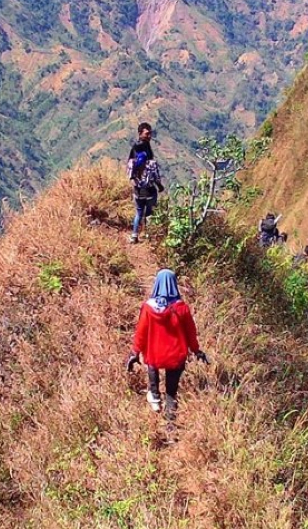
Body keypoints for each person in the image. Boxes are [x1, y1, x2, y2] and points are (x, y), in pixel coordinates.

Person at [127, 269, 208, 418]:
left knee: (151, 364)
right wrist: (197, 351)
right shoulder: (182, 308)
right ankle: (170, 416)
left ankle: (155, 397)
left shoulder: (148, 308)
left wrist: (135, 352)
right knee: (172, 391)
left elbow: (141, 332)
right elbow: (191, 333)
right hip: (176, 355)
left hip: (155, 354)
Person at [129, 151, 164, 243]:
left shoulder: (133, 166)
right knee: (149, 214)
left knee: (139, 214)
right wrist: (160, 187)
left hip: (138, 194)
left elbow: (131, 179)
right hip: (150, 194)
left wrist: (138, 187)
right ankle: (149, 236)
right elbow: (156, 179)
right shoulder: (151, 166)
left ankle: (134, 236)